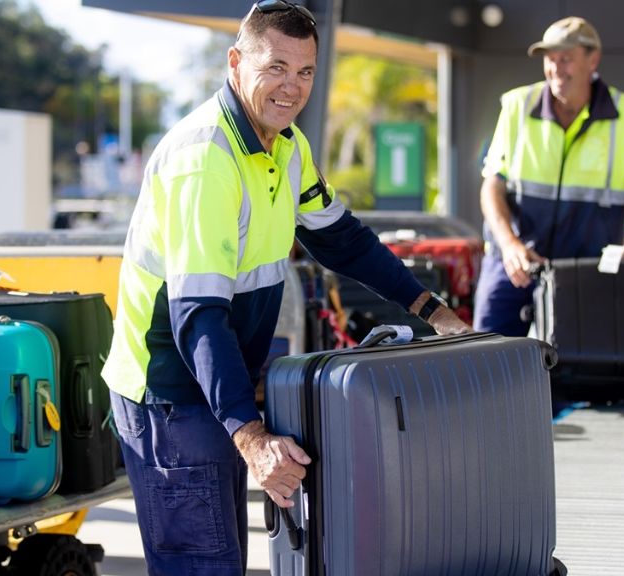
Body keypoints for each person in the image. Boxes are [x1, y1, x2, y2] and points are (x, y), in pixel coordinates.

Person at [103, 2, 472, 574]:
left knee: (221, 560)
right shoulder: (206, 159)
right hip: (170, 393)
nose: (291, 87)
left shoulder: (287, 145)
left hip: (217, 388)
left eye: (305, 72)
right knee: (203, 567)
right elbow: (198, 315)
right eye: (276, 67)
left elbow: (342, 239)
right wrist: (250, 438)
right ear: (235, 62)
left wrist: (432, 309)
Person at [474, 16, 624, 336]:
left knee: (581, 373)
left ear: (593, 60)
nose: (556, 68)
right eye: (550, 58)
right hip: (515, 263)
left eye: (566, 58)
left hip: (586, 274)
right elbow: (492, 185)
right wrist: (509, 244)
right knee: (486, 359)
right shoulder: (517, 106)